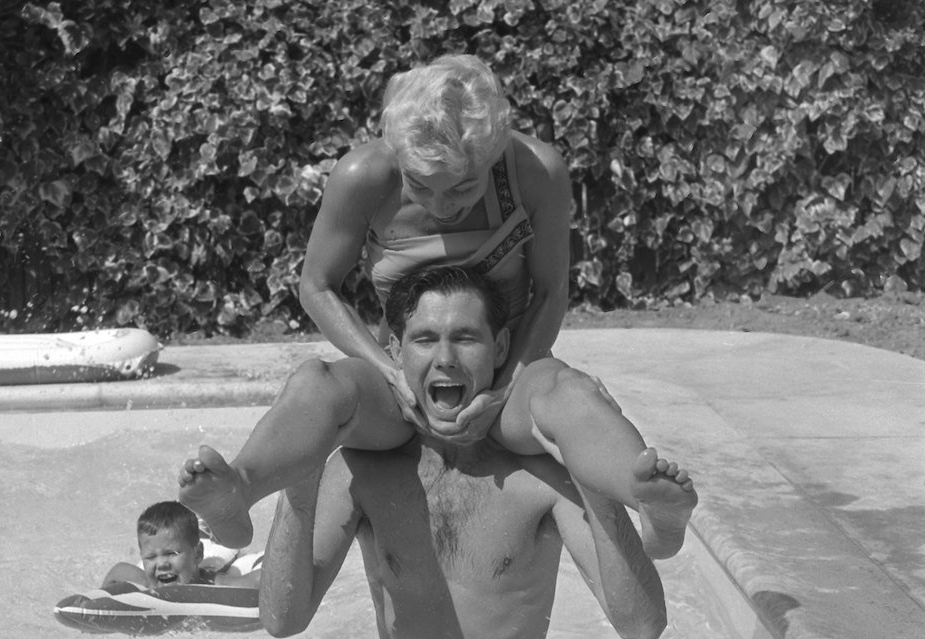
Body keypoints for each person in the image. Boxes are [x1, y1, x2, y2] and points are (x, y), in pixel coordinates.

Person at [179, 54, 696, 561]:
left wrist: (506, 386)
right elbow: (316, 286)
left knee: (568, 389)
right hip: (400, 385)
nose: (443, 205)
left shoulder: (535, 171)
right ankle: (238, 490)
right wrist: (389, 372)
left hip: (504, 380)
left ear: (493, 156)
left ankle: (649, 500)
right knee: (316, 381)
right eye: (422, 186)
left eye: (464, 187)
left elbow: (551, 291)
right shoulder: (363, 175)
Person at [255, 266, 683, 639]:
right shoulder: (361, 474)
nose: (446, 358)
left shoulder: (541, 478)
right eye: (425, 339)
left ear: (501, 347)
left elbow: (642, 625)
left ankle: (659, 523)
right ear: (394, 353)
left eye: (466, 337)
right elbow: (283, 620)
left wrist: (598, 491)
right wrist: (297, 490)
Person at [100, 500, 259, 589]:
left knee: (217, 541)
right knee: (178, 534)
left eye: (171, 554)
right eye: (150, 557)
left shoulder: (213, 583)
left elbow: (255, 582)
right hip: (185, 542)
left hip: (216, 551)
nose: (161, 564)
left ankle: (209, 517)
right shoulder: (147, 582)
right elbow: (118, 570)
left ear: (197, 555)